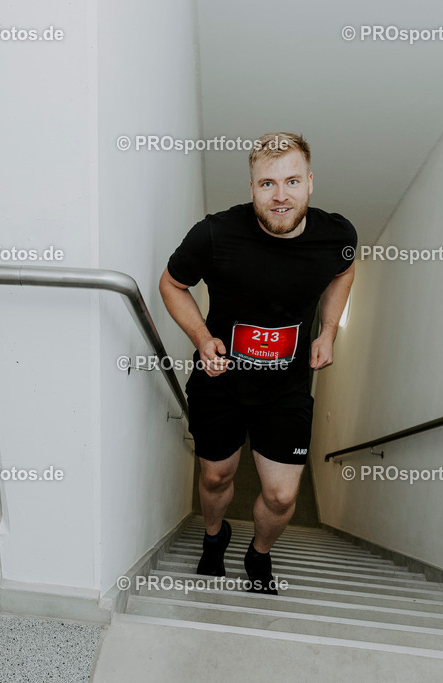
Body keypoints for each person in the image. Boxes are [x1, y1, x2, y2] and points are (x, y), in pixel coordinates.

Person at [159, 132, 356, 594]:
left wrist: (327, 331)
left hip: (287, 388)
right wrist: (202, 337)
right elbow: (171, 284)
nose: (281, 195)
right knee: (215, 475)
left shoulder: (337, 236)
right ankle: (214, 537)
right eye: (267, 184)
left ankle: (259, 552)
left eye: (291, 181)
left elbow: (345, 271)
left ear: (310, 182)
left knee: (282, 494)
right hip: (220, 380)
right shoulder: (214, 234)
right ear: (252, 189)